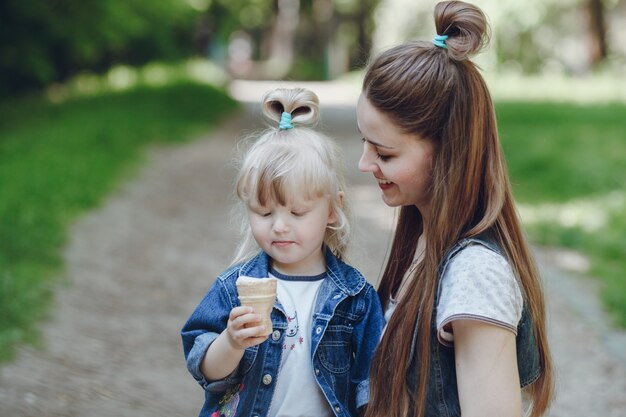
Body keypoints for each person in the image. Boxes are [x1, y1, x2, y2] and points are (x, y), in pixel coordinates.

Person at [356, 2, 554, 417]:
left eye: (384, 153)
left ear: (447, 152)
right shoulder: (425, 236)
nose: (365, 164)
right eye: (364, 143)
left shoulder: (475, 276)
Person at [181, 87, 385, 417]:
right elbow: (203, 368)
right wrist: (231, 343)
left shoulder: (355, 298)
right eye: (264, 213)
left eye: (297, 213)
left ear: (332, 209)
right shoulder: (234, 289)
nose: (279, 226)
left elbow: (371, 385)